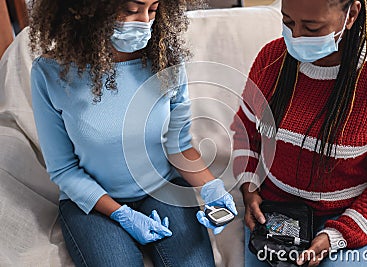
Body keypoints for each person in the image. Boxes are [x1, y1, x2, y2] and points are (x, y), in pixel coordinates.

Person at [29, 0, 237, 266]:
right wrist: (120, 214)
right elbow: (63, 170)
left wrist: (211, 188)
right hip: (94, 203)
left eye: (152, 9)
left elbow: (179, 144)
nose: (144, 22)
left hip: (162, 187)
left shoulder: (166, 59)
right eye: (130, 10)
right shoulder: (50, 73)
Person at [231, 0, 367, 266]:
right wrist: (249, 187)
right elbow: (245, 134)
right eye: (288, 22)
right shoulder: (271, 58)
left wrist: (338, 235)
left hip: (358, 210)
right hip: (279, 210)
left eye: (311, 28)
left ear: (352, 14)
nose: (295, 37)